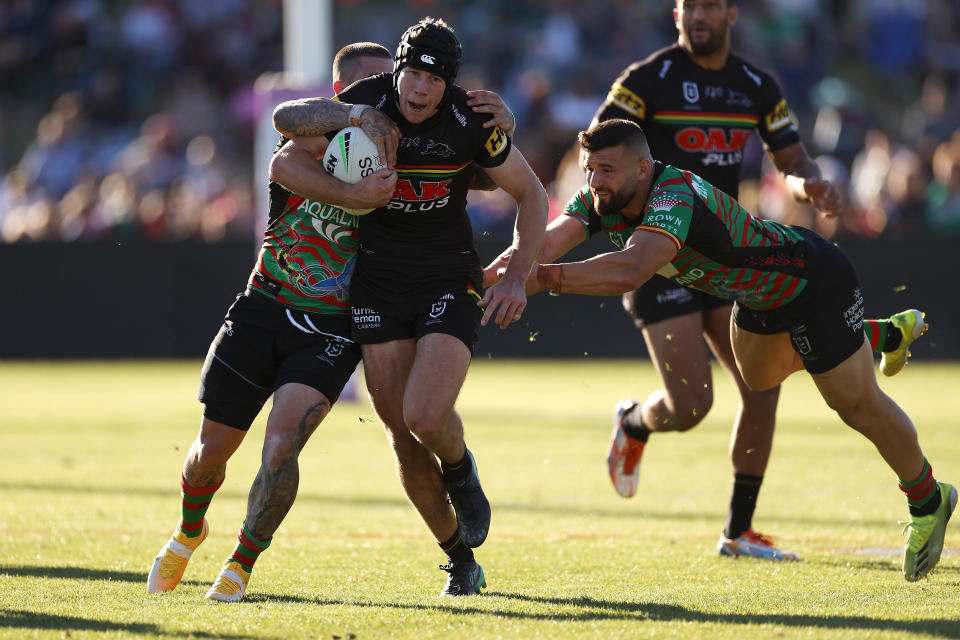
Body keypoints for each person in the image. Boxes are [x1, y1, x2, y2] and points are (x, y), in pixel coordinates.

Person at [147, 41, 519, 602]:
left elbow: (482, 173)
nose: (388, 106)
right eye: (370, 94)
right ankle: (188, 530)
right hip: (263, 305)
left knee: (286, 443)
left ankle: (242, 564)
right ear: (340, 97)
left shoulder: (406, 147)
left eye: (390, 89)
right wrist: (353, 177)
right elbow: (283, 140)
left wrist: (500, 130)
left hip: (336, 326)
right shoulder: (307, 144)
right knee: (209, 455)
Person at [511, 118, 955, 582]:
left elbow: (630, 270)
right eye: (589, 169)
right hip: (758, 299)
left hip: (813, 281)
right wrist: (474, 283)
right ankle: (878, 335)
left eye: (605, 169)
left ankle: (929, 498)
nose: (594, 181)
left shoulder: (672, 195)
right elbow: (536, 247)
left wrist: (542, 279)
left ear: (642, 170)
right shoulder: (600, 198)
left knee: (856, 405)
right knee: (761, 379)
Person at [587, 0, 925, 560]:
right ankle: (636, 422)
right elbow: (599, 151)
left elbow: (790, 160)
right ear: (675, 14)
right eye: (688, 5)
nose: (698, 15)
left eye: (709, 6)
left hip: (724, 255)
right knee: (692, 406)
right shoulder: (646, 80)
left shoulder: (755, 84)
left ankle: (737, 532)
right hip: (660, 254)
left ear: (731, 14)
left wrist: (808, 186)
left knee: (760, 387)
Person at [270, 17, 547, 598]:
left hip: (448, 275)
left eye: (434, 79)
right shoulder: (366, 101)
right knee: (400, 435)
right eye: (413, 74)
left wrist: (519, 275)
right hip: (375, 284)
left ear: (451, 83)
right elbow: (284, 133)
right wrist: (351, 131)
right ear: (398, 69)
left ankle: (462, 467)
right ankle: (458, 556)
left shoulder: (473, 119)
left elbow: (531, 193)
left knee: (425, 416)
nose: (420, 89)